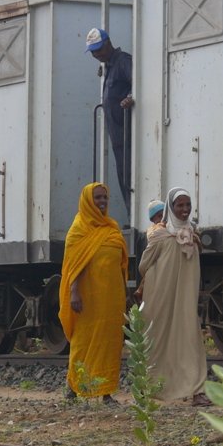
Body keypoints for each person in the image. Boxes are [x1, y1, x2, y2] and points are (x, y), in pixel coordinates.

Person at [137, 187, 210, 406]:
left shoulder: (193, 234)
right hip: (162, 297)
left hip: (186, 299)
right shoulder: (160, 234)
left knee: (190, 337)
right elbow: (143, 265)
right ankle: (150, 387)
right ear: (171, 207)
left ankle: (197, 390)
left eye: (188, 205)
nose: (185, 209)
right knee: (158, 338)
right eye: (180, 205)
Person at [58, 182, 129, 404]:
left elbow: (121, 264)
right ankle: (73, 385)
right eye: (97, 198)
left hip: (111, 297)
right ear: (88, 200)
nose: (102, 202)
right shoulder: (78, 229)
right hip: (88, 298)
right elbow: (74, 266)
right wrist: (74, 293)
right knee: (84, 340)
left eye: (104, 198)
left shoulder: (111, 227)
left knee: (109, 341)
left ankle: (105, 391)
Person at [85, 27, 134, 214]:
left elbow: (137, 83)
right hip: (118, 136)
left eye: (98, 49)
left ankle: (134, 215)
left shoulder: (123, 62)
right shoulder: (108, 67)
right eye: (93, 51)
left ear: (108, 44)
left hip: (127, 133)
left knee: (129, 177)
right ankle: (131, 213)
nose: (96, 54)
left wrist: (130, 97)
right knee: (123, 177)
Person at [133, 199, 166, 304]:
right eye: (159, 216)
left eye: (165, 215)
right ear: (153, 219)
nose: (163, 219)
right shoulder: (153, 231)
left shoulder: (167, 229)